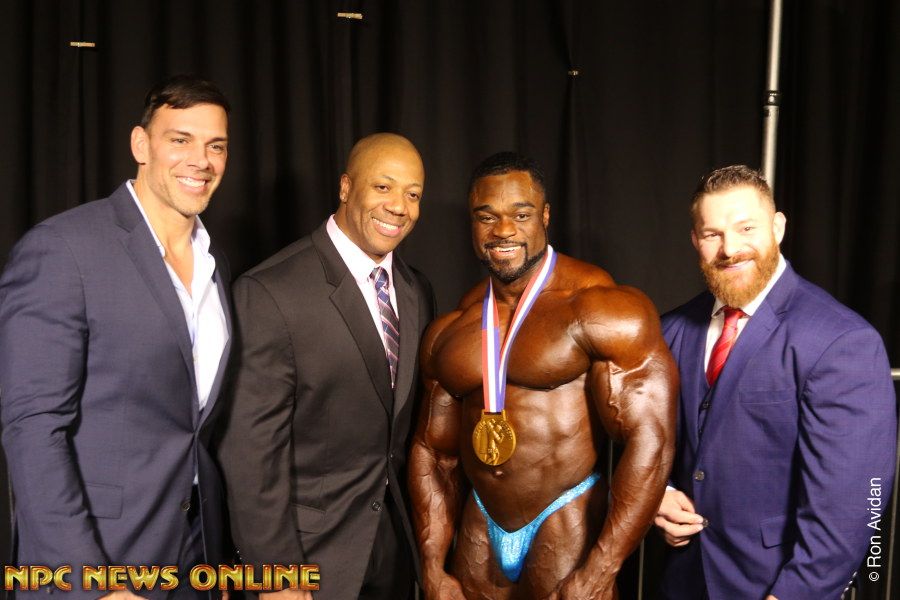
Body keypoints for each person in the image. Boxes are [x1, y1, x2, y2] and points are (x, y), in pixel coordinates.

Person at [0, 74, 233, 599]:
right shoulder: (63, 249)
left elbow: (194, 428)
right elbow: (33, 429)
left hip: (193, 558)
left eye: (216, 145)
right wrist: (92, 583)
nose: (201, 160)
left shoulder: (214, 262)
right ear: (140, 144)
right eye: (181, 139)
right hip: (98, 560)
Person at [409, 151, 678, 599]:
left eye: (521, 214)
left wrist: (602, 569)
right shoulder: (452, 327)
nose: (503, 230)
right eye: (487, 217)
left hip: (566, 516)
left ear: (545, 216)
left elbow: (651, 439)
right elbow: (432, 451)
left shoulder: (599, 306)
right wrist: (432, 564)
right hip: (481, 522)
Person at [654, 165, 897, 599]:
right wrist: (659, 493)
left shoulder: (842, 340)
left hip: (776, 584)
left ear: (778, 227)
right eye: (712, 234)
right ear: (695, 240)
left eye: (746, 228)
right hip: (683, 581)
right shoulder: (670, 329)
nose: (730, 249)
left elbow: (854, 507)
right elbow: (639, 442)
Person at [217, 133, 434, 600]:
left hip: (394, 557)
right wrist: (275, 574)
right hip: (308, 561)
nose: (399, 207)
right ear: (345, 187)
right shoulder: (270, 291)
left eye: (413, 194)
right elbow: (250, 454)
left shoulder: (416, 291)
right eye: (383, 187)